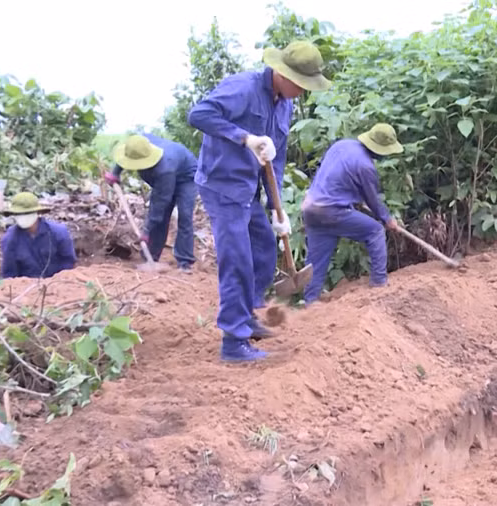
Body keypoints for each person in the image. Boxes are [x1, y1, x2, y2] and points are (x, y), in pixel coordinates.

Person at [187, 40, 331, 362]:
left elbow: (274, 159)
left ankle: (247, 313)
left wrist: (276, 209)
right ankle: (233, 341)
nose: (302, 92)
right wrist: (244, 138)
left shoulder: (285, 105)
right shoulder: (242, 88)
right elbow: (198, 114)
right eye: (300, 84)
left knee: (265, 250)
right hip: (222, 184)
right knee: (237, 258)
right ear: (281, 73)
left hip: (249, 188)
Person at [301, 123, 404, 305]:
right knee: (375, 231)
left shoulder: (342, 145)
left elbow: (336, 177)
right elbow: (373, 201)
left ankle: (310, 301)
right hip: (331, 210)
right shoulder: (366, 167)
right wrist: (388, 219)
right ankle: (379, 282)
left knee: (317, 258)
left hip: (311, 207)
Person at [104, 134, 198, 271]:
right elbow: (125, 156)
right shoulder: (138, 143)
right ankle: (151, 257)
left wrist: (146, 230)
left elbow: (161, 202)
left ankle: (184, 261)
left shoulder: (165, 168)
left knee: (184, 216)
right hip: (165, 174)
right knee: (160, 218)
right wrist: (115, 173)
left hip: (186, 177)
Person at [0, 192, 76, 279]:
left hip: (58, 283)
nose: (23, 217)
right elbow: (10, 274)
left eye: (27, 213)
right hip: (28, 288)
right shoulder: (9, 239)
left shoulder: (59, 232)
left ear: (37, 212)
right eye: (18, 214)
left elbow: (68, 262)